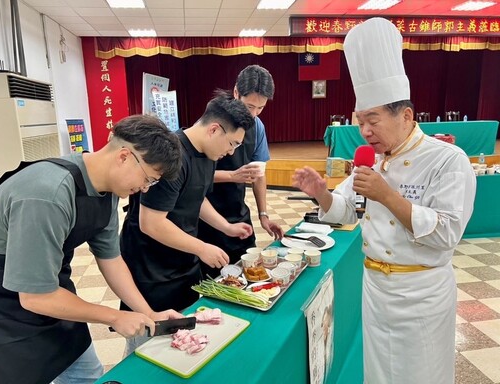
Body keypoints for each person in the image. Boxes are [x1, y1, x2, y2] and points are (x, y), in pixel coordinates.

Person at [292, 18, 476, 384]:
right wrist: (322, 193)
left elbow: (446, 234)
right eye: (360, 121)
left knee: (420, 373)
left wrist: (388, 196)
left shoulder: (447, 161)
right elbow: (347, 209)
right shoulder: (373, 160)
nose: (364, 131)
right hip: (376, 289)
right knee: (379, 374)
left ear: (406, 116)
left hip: (422, 294)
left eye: (372, 120)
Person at [0, 114, 185, 384]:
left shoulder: (108, 188)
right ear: (125, 156)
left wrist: (147, 313)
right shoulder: (48, 194)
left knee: (85, 373)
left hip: (51, 286)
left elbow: (111, 259)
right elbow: (34, 297)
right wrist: (114, 316)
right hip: (0, 304)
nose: (145, 189)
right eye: (149, 179)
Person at [120, 91, 255, 354]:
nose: (232, 152)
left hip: (180, 261)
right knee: (147, 342)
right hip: (151, 267)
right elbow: (151, 223)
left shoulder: (206, 155)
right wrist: (201, 247)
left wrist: (225, 227)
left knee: (181, 338)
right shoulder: (172, 156)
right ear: (214, 130)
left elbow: (196, 197)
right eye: (233, 144)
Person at [198, 65, 285, 278]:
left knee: (248, 272)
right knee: (214, 280)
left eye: (261, 108)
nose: (253, 114)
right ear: (236, 92)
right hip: (205, 214)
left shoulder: (257, 127)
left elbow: (259, 173)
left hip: (236, 210)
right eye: (249, 106)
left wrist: (263, 215)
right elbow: (194, 177)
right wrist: (231, 175)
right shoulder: (214, 121)